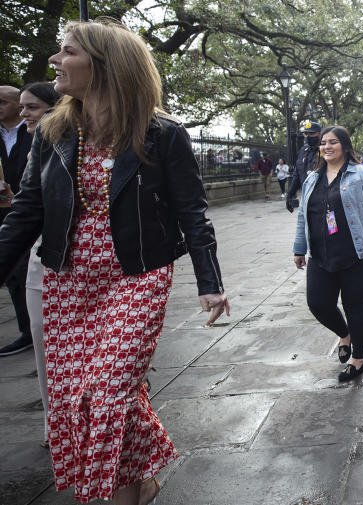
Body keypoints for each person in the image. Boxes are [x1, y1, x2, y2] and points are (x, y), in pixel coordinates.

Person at [0, 20, 230, 504]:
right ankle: (139, 485)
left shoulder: (161, 133)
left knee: (103, 394)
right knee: (79, 400)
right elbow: (26, 212)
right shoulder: (52, 132)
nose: (54, 62)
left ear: (102, 64)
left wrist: (210, 282)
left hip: (137, 276)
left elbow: (192, 210)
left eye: (67, 52)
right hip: (69, 280)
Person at [293, 126, 363, 382]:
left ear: (345, 145)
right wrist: (299, 248)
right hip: (321, 254)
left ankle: (359, 357)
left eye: (333, 142)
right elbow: (302, 217)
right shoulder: (311, 179)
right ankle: (345, 334)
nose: (327, 147)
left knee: (355, 305)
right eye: (323, 143)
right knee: (318, 303)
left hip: (360, 254)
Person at [14, 82, 61, 447]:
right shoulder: (24, 144)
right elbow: (25, 208)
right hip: (38, 253)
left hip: (77, 254)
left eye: (31, 107)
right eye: (21, 107)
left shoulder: (59, 142)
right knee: (42, 338)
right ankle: (54, 421)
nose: (23, 114)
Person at [0, 85, 34, 357]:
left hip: (30, 207)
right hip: (6, 208)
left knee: (30, 271)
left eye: (3, 102)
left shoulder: (35, 130)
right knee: (14, 273)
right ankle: (28, 330)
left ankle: (37, 328)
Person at [285, 120, 323, 213]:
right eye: (306, 134)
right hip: (306, 198)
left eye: (312, 134)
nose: (308, 136)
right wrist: (290, 194)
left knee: (331, 227)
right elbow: (297, 174)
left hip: (324, 199)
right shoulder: (304, 150)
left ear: (320, 134)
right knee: (306, 226)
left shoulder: (326, 150)